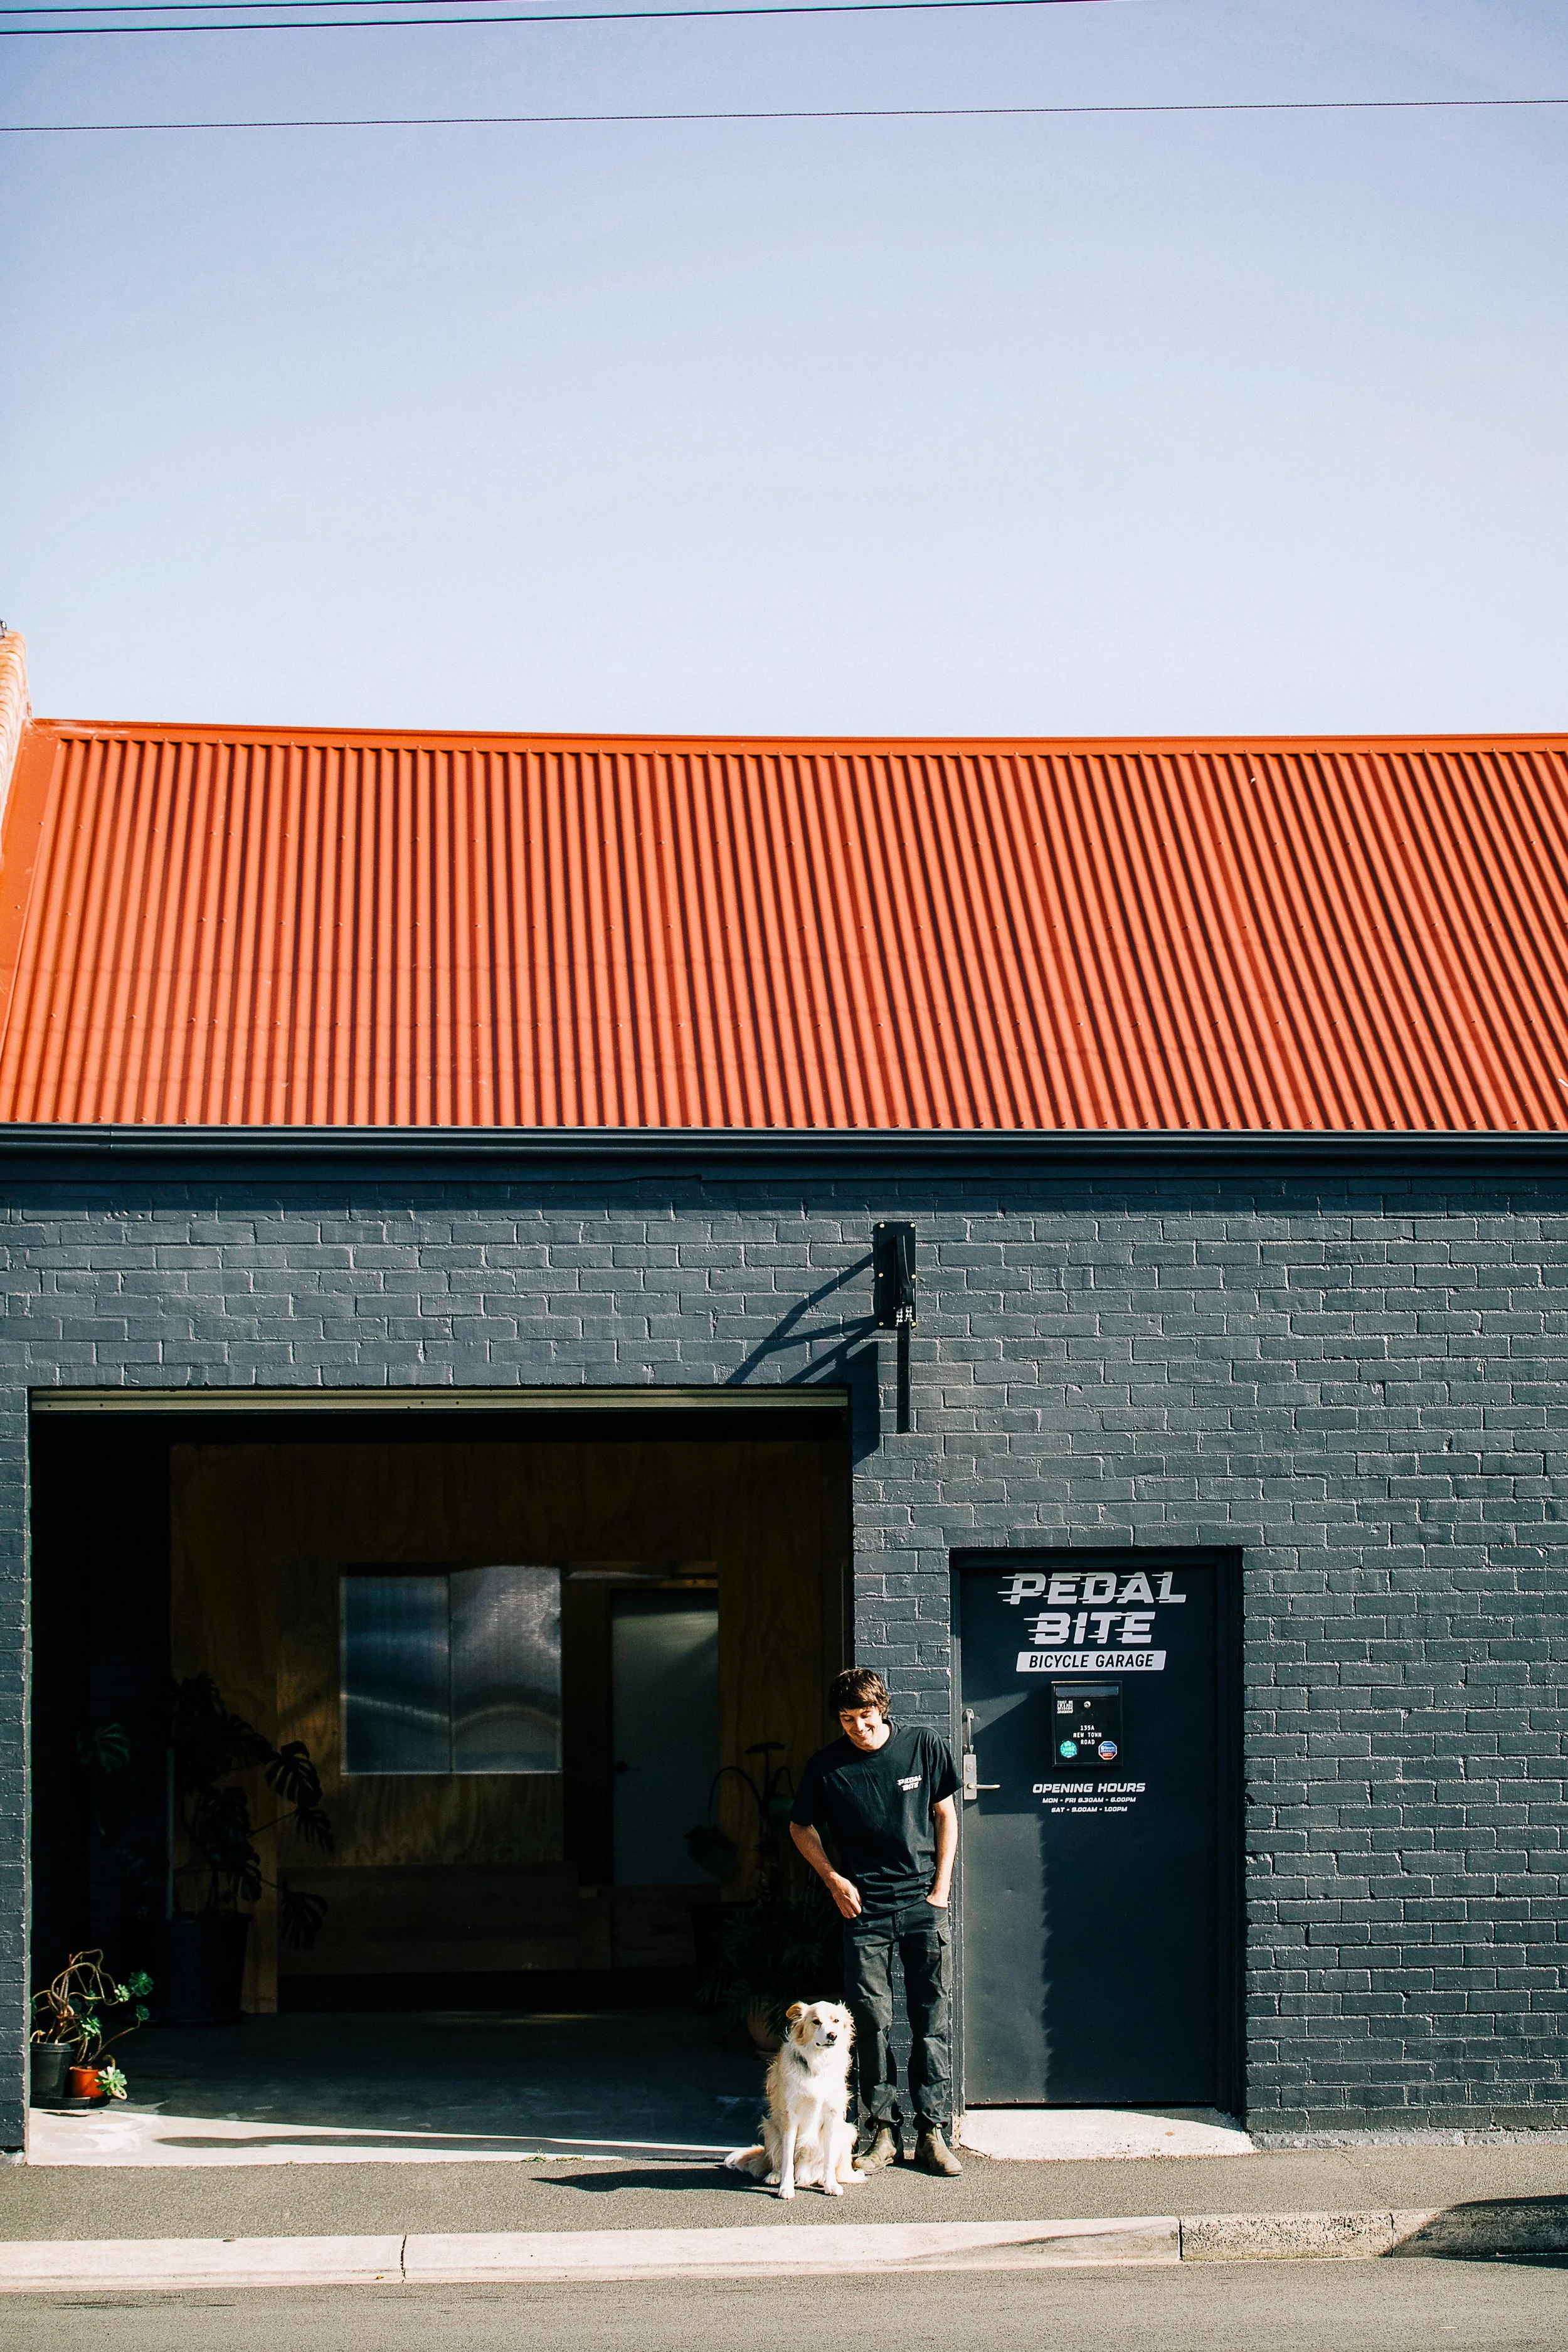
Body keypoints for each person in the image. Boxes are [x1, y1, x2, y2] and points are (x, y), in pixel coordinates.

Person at [788, 1665, 961, 2177]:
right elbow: (800, 1827)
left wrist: (941, 1890)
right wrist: (833, 1879)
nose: (858, 1729)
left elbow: (946, 1813)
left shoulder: (923, 1745)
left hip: (921, 1905)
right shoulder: (826, 1767)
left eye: (865, 1717)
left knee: (932, 2019)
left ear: (882, 1708)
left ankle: (932, 2133)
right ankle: (883, 2132)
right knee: (870, 2024)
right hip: (862, 1911)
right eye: (847, 1720)